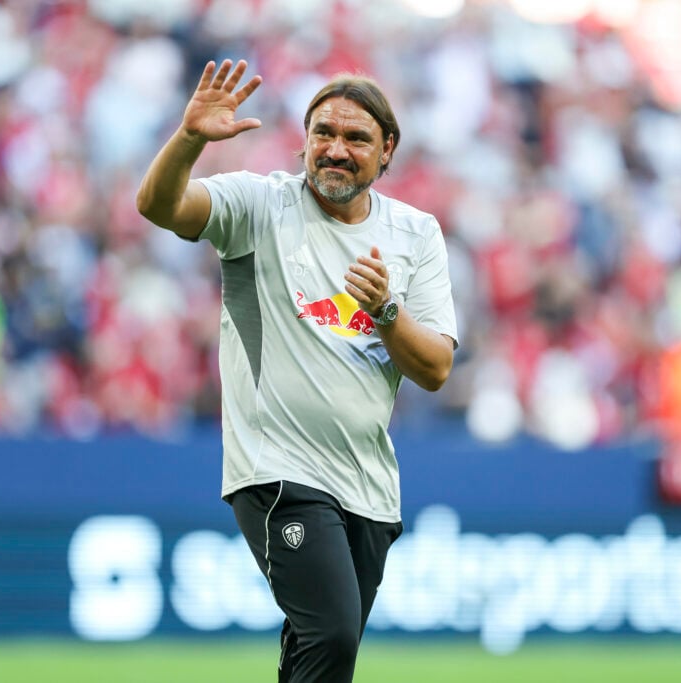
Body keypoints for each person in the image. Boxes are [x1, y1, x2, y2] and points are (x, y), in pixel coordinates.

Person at [137, 59, 458, 683]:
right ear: (304, 139)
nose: (335, 150)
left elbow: (437, 368)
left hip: (367, 483)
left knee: (323, 653)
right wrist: (190, 139)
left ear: (387, 149)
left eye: (356, 138)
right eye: (323, 134)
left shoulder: (415, 235)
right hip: (277, 467)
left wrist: (387, 312)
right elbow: (158, 205)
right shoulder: (259, 206)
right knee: (330, 629)